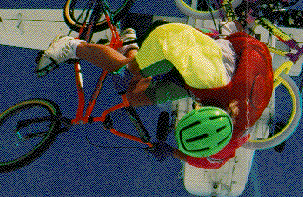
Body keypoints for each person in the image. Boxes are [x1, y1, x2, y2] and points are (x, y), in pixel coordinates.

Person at [35, 21, 273, 169]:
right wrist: (138, 68)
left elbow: (210, 163)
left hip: (251, 65)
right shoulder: (205, 75)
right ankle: (72, 46)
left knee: (135, 97)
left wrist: (171, 151)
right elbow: (166, 36)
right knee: (128, 71)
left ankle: (129, 45)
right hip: (216, 55)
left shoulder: (232, 139)